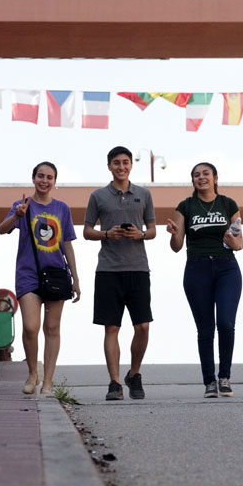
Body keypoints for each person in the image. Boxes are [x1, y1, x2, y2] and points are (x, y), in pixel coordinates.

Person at [0, 161, 81, 396]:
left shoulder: (62, 209)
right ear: (33, 179)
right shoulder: (21, 205)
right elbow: (2, 230)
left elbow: (67, 244)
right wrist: (16, 216)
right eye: (40, 176)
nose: (45, 181)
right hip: (28, 274)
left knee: (52, 328)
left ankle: (48, 382)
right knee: (31, 327)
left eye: (50, 177)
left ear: (55, 182)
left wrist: (76, 278)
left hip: (56, 273)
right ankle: (33, 372)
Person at [83, 146, 157, 401]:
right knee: (111, 328)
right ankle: (114, 383)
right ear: (109, 166)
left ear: (130, 166)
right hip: (108, 271)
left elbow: (153, 230)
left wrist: (142, 234)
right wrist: (106, 233)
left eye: (125, 162)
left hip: (138, 268)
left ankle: (134, 374)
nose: (121, 166)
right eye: (116, 162)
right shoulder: (98, 196)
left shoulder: (144, 194)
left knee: (143, 327)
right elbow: (86, 231)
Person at [167, 162, 243, 398]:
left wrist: (232, 242)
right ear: (193, 181)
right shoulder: (186, 206)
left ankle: (225, 377)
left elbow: (239, 243)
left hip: (226, 268)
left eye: (205, 174)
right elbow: (176, 248)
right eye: (196, 175)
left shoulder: (228, 204)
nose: (201, 178)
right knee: (205, 329)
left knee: (225, 323)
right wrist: (175, 235)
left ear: (215, 178)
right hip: (196, 268)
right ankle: (209, 381)